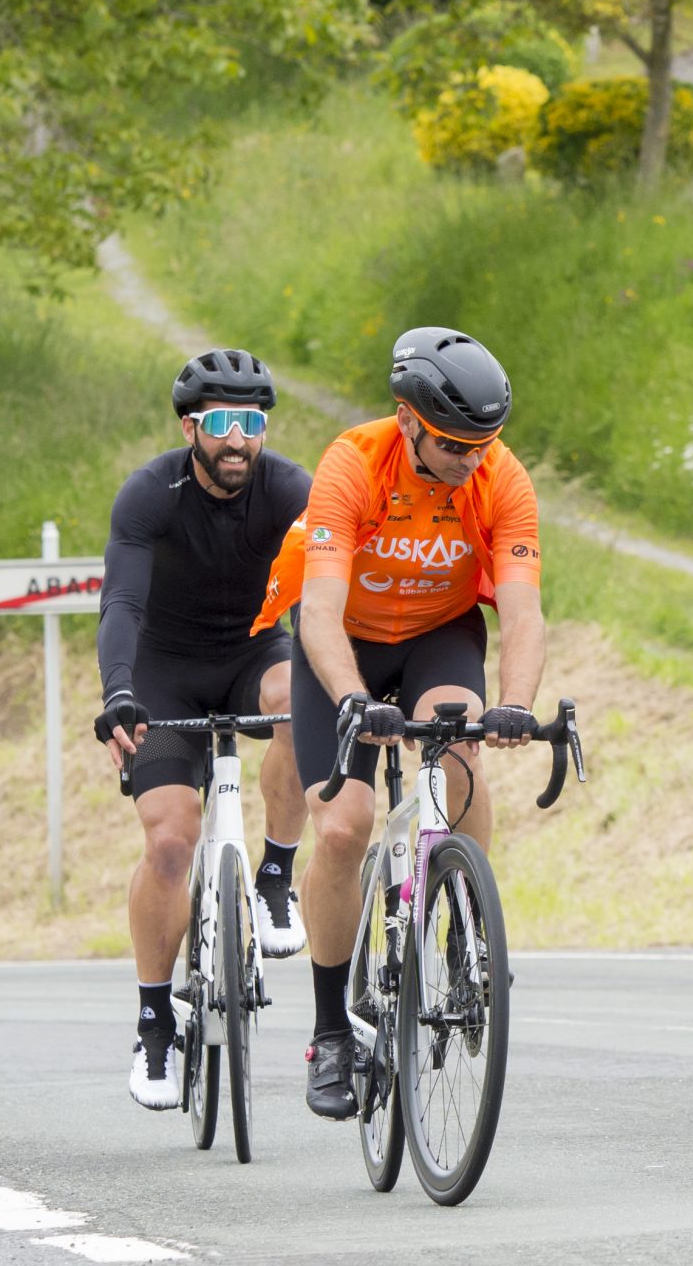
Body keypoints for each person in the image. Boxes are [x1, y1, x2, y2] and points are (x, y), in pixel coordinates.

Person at [260, 327, 545, 1122]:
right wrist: (351, 696)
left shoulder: (500, 475)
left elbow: (522, 609)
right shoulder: (354, 461)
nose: (470, 458)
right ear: (408, 419)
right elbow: (316, 611)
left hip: (438, 636)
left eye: (483, 442)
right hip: (343, 639)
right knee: (346, 827)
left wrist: (515, 701)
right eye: (454, 442)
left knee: (457, 747)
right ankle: (330, 1034)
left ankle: (467, 926)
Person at [95, 349, 313, 1110]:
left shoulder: (291, 490)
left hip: (256, 650)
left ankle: (277, 874)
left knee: (298, 697)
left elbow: (325, 595)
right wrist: (119, 692)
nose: (238, 441)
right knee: (169, 842)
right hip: (163, 670)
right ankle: (156, 1020)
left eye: (251, 423)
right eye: (221, 423)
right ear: (191, 427)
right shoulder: (150, 493)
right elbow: (121, 603)